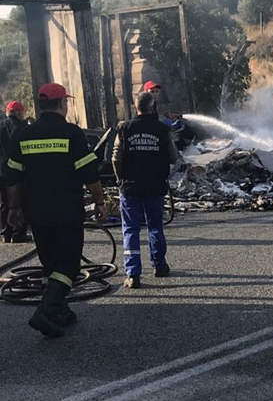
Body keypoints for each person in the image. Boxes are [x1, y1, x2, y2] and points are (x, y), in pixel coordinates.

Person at [5, 83, 106, 338]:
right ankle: (45, 310)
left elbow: (12, 176)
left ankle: (59, 311)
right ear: (63, 104)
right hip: (66, 209)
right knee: (69, 264)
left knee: (50, 263)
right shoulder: (71, 133)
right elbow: (89, 173)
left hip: (36, 211)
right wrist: (100, 201)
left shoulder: (23, 135)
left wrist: (14, 208)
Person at [112, 91, 177, 289]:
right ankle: (159, 265)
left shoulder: (124, 128)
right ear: (153, 106)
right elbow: (173, 157)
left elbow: (116, 157)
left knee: (131, 229)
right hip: (155, 186)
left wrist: (119, 178)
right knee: (155, 226)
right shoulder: (162, 130)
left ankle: (133, 274)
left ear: (135, 106)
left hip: (130, 187)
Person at [0, 101, 29, 243]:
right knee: (20, 201)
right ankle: (19, 233)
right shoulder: (23, 128)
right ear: (18, 113)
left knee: (4, 202)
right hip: (18, 171)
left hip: (1, 172)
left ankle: (6, 232)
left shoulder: (0, 126)